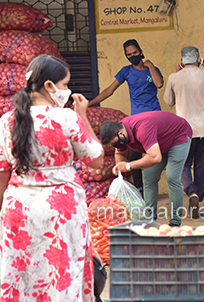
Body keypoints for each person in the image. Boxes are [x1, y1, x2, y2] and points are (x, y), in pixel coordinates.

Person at [0, 55, 104, 300]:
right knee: (62, 273)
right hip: (61, 210)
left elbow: (3, 171)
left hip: (17, 208)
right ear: (49, 86)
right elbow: (97, 160)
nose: (67, 91)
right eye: (65, 84)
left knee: (21, 273)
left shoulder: (6, 121)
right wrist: (83, 115)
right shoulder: (67, 118)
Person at [89, 39, 164, 195]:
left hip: (155, 117)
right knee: (134, 154)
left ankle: (152, 189)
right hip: (136, 120)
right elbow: (109, 91)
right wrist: (90, 104)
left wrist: (150, 66)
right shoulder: (126, 71)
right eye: (128, 55)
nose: (132, 56)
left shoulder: (152, 69)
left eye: (135, 53)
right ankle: (140, 190)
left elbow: (159, 84)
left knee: (156, 155)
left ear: (141, 52)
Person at [163, 46, 204, 219]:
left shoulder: (174, 78)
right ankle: (198, 196)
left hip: (183, 131)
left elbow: (168, 101)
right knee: (201, 165)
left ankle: (192, 194)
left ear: (182, 61)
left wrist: (175, 76)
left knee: (184, 165)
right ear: (199, 59)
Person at [99, 112, 192, 226]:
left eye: (115, 143)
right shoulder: (121, 134)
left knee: (172, 176)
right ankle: (150, 220)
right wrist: (120, 168)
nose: (117, 145)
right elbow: (120, 155)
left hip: (178, 135)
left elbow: (155, 157)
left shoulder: (142, 129)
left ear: (121, 133)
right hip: (159, 144)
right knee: (149, 177)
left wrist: (128, 166)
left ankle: (175, 222)